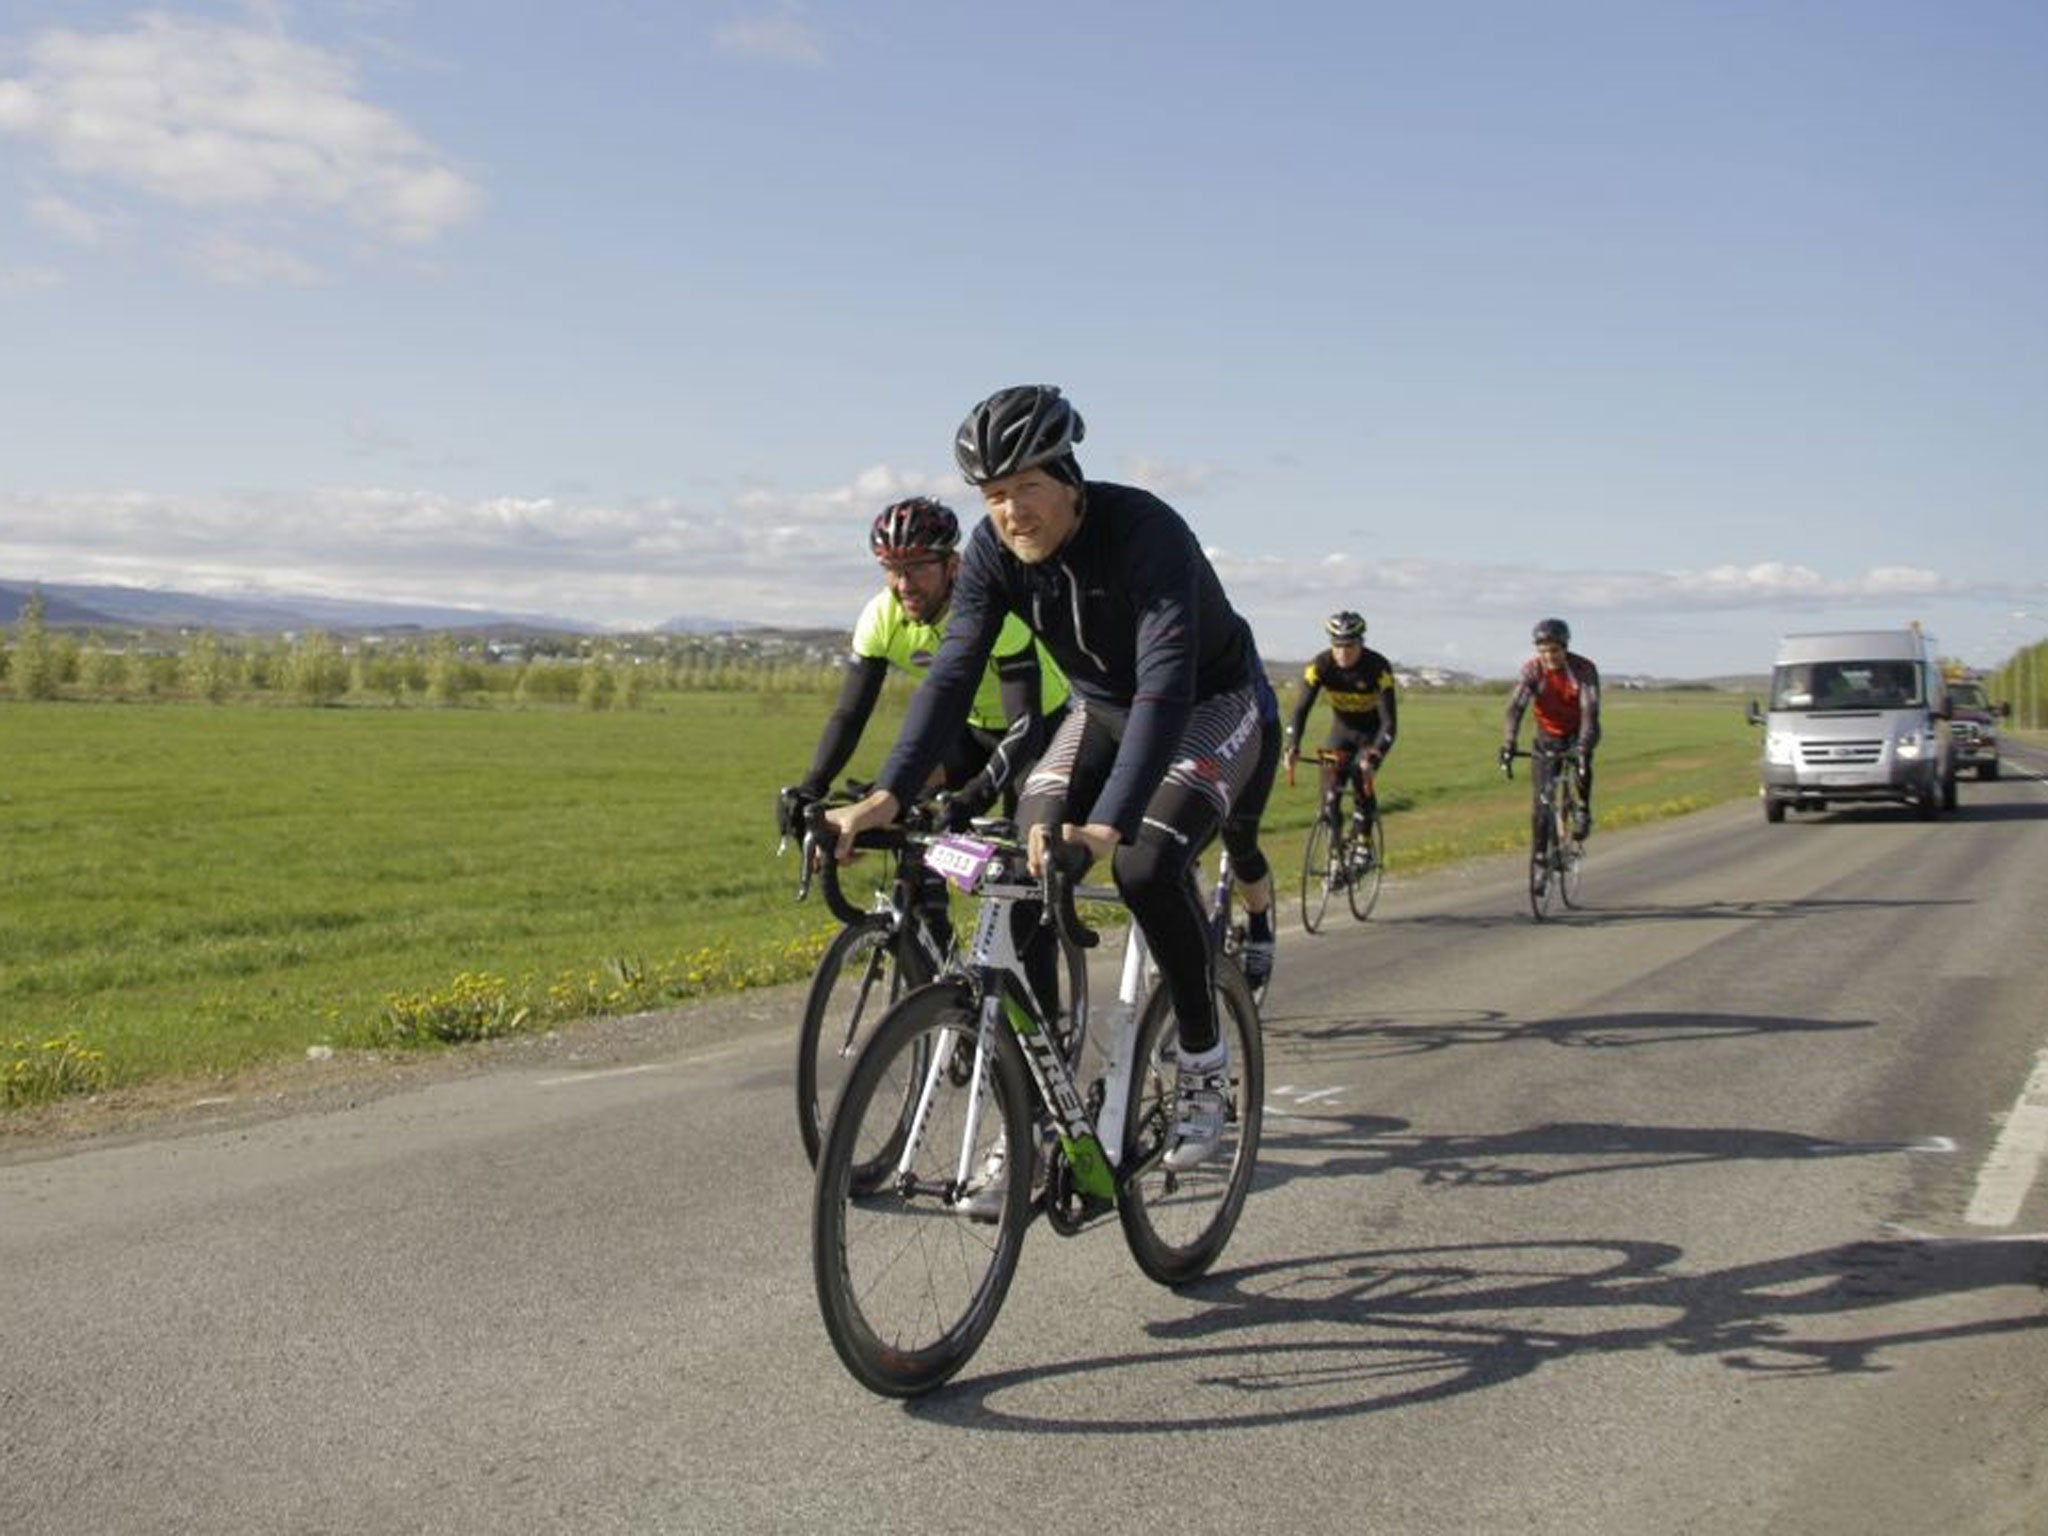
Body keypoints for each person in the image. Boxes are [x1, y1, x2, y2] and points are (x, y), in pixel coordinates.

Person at [827, 384, 1264, 1175]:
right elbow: (953, 673)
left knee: (1142, 862)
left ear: (1069, 480)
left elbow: (1164, 686)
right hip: (1100, 711)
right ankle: (1042, 1099)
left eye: (1026, 488)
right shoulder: (995, 553)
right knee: (1022, 862)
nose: (1011, 512)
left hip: (1205, 705)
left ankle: (1203, 1062)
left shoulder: (1147, 532)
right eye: (993, 496)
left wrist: (1105, 826)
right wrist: (889, 790)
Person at [778, 496, 1069, 838]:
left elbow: (1026, 723)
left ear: (953, 565)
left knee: (1024, 857)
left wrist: (976, 796)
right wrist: (812, 788)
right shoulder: (882, 617)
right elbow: (849, 716)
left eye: (918, 567)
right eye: (891, 569)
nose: (904, 585)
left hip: (1040, 733)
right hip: (970, 732)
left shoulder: (993, 613)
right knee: (906, 819)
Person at [1285, 610, 1398, 839]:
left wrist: (1376, 755)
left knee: (1360, 776)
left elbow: (1389, 722)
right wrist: (1292, 745)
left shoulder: (1378, 668)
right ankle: (1334, 850)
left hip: (1370, 736)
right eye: (1337, 646)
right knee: (1329, 791)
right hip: (1341, 735)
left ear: (1360, 643)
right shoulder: (1320, 666)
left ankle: (1364, 841)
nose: (1343, 653)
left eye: (1349, 646)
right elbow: (1300, 710)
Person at [1499, 617, 1602, 839]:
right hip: (1547, 736)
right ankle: (1540, 858)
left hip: (1579, 731)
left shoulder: (1583, 669)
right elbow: (1515, 708)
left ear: (1565, 648)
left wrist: (1584, 746)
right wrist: (1508, 743)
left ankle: (1583, 808)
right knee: (1541, 802)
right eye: (1543, 651)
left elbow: (1589, 711)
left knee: (1582, 766)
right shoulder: (1532, 671)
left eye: (1554, 650)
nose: (1549, 657)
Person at [1222, 650, 1282, 1000]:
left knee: (1238, 835)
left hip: (1253, 729)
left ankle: (1259, 924)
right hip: (1181, 730)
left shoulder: (1221, 628)